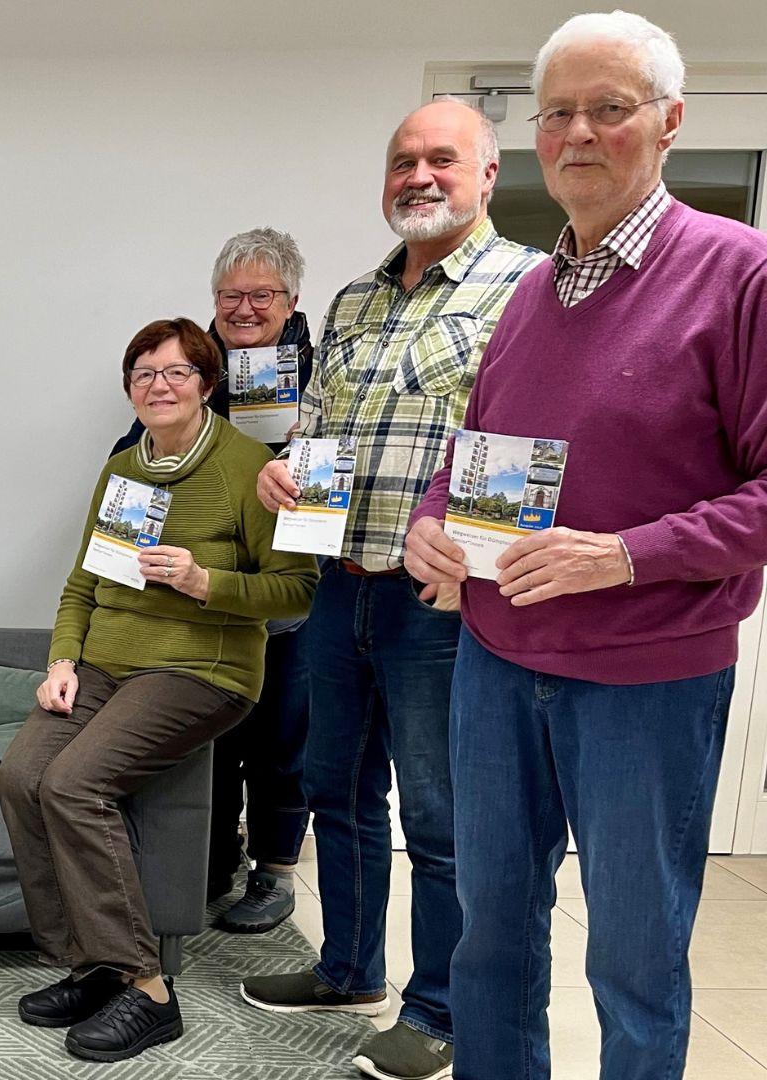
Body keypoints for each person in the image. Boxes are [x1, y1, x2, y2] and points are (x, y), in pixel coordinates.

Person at [405, 13, 767, 1079]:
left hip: (643, 680)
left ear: (667, 124)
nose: (577, 134)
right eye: (557, 112)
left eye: (608, 110)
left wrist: (624, 555)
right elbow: (477, 450)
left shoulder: (737, 273)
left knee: (635, 957)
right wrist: (434, 516)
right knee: (492, 935)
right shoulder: (528, 289)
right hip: (495, 663)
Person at [240, 98, 543, 1080]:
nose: (419, 175)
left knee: (443, 819)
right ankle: (346, 967)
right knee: (338, 789)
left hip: (439, 606)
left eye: (441, 159)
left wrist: (482, 568)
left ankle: (441, 1011)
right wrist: (282, 470)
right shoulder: (352, 302)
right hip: (340, 585)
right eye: (403, 159)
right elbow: (317, 433)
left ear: (487, 174)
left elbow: (533, 445)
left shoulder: (526, 286)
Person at [0, 317, 316, 1063]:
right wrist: (62, 662)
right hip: (106, 664)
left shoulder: (247, 468)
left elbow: (297, 590)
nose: (159, 386)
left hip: (199, 671)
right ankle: (92, 965)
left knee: (75, 783)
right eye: (144, 374)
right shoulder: (122, 471)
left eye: (176, 373)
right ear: (129, 390)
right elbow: (81, 583)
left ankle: (146, 988)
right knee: (20, 777)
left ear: (208, 383)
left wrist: (206, 582)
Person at [186, 229, 319, 933]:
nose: (243, 309)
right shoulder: (190, 367)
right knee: (208, 732)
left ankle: (273, 872)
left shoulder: (323, 373)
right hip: (204, 588)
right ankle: (210, 859)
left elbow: (337, 467)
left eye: (259, 296)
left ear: (291, 300)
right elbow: (142, 449)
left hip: (288, 589)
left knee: (280, 738)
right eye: (230, 296)